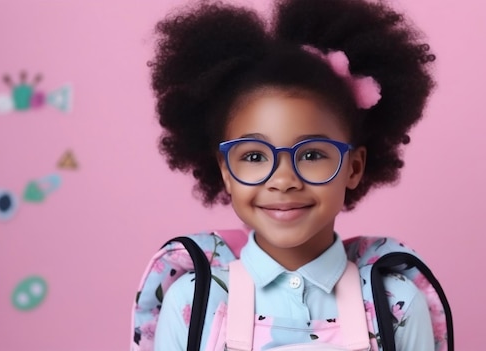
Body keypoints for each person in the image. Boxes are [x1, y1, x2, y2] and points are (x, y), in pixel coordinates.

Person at [149, 0, 437, 349]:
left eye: (312, 154)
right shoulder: (192, 304)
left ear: (354, 168)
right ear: (225, 171)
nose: (283, 180)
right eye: (254, 156)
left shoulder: (395, 306)